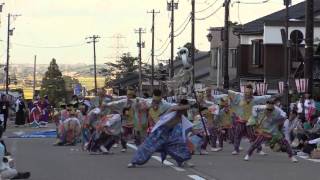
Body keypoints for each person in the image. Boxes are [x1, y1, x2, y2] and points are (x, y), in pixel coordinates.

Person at [128, 98, 193, 168]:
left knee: (180, 146)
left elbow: (186, 126)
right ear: (180, 105)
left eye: (185, 110)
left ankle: (183, 161)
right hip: (159, 132)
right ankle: (134, 162)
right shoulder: (173, 108)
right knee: (147, 146)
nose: (184, 111)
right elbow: (180, 108)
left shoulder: (182, 116)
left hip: (170, 135)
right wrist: (189, 105)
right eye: (183, 108)